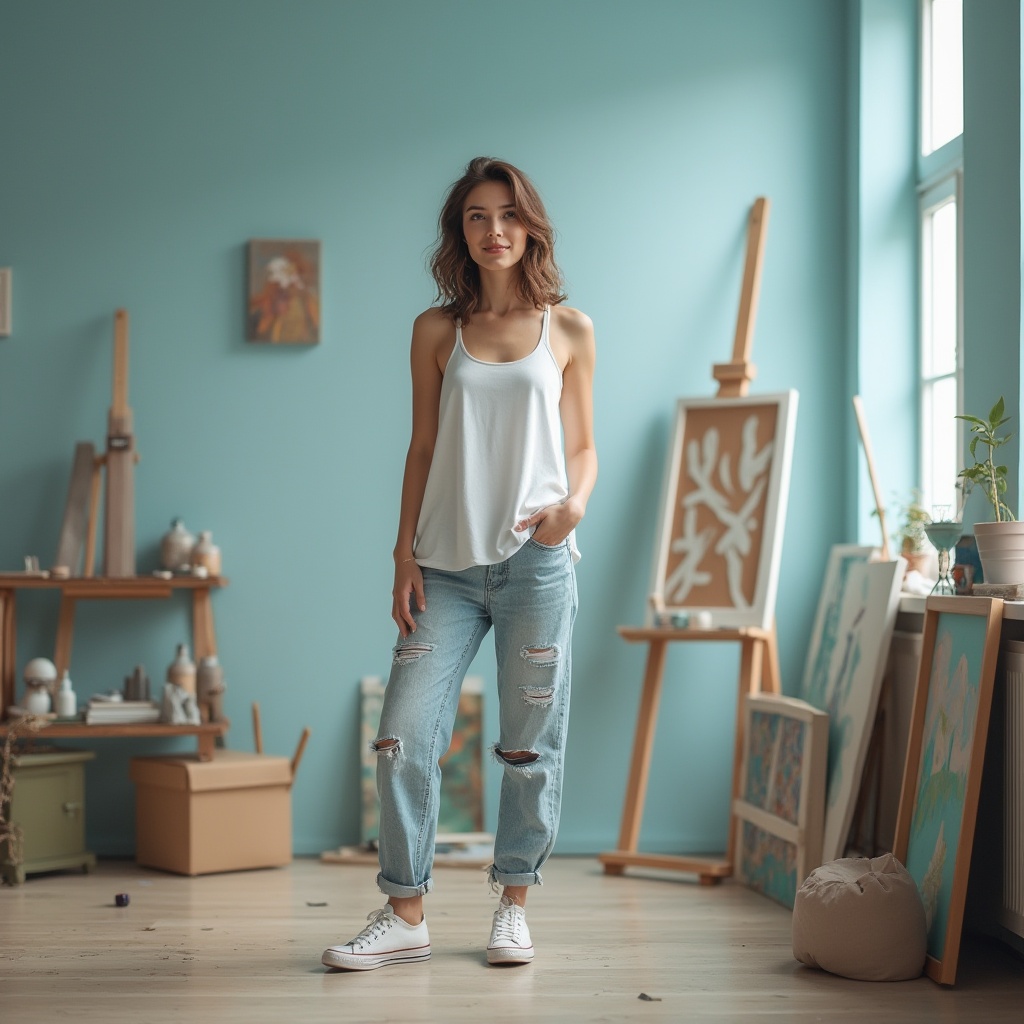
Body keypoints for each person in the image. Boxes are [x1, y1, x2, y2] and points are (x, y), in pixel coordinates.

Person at [321, 156, 597, 971]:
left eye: (507, 215)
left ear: (530, 225)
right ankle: (405, 913)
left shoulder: (569, 328)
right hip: (444, 568)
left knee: (528, 743)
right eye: (476, 217)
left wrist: (572, 507)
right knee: (404, 735)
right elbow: (422, 446)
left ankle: (513, 903)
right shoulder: (436, 330)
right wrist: (402, 551)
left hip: (537, 566)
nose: (493, 231)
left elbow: (582, 444)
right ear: (460, 232)